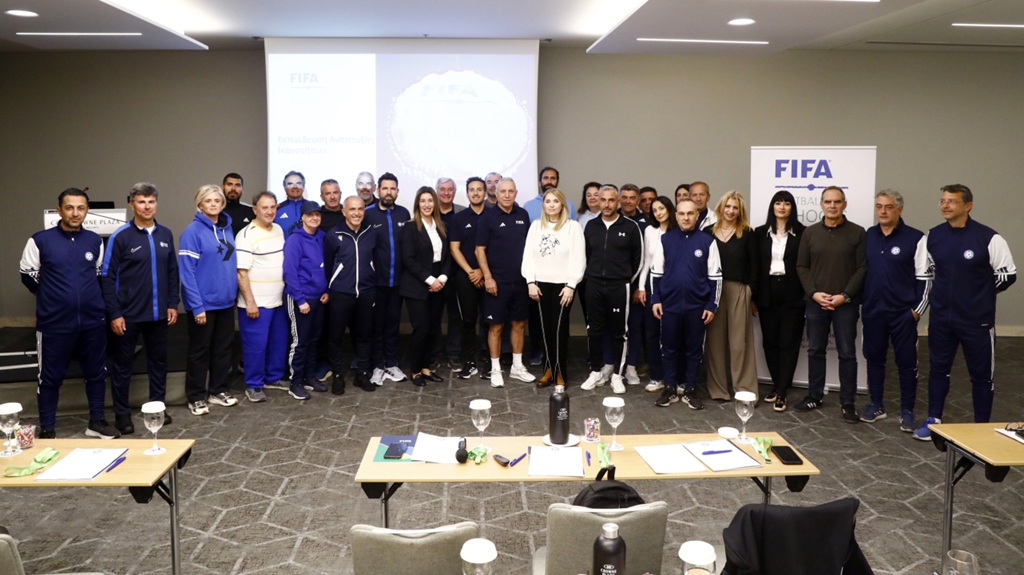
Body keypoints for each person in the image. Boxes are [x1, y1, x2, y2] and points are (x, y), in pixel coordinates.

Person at [914, 184, 1016, 440]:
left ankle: (981, 429)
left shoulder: (989, 238)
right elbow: (926, 275)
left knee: (981, 377)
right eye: (942, 201)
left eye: (952, 201)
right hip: (942, 320)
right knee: (938, 370)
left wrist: (977, 295)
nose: (945, 205)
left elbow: (1007, 275)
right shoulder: (932, 236)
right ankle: (933, 420)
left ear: (968, 205)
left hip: (976, 321)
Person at [20, 187, 119, 439]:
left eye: (81, 208)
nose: (75, 213)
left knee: (97, 373)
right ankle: (48, 429)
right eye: (70, 208)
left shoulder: (94, 241)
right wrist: (52, 297)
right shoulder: (40, 240)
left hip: (92, 322)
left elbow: (98, 276)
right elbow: (28, 276)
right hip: (54, 324)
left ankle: (96, 422)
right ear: (59, 210)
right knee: (50, 378)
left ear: (87, 211)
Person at [102, 183, 179, 434]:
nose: (147, 206)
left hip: (159, 314)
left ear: (156, 203)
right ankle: (122, 415)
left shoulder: (165, 234)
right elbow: (107, 277)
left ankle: (157, 408)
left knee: (158, 363)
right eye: (142, 201)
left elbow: (172, 271)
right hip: (128, 316)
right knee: (122, 366)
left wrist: (172, 303)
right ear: (132, 204)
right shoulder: (120, 237)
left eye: (151, 201)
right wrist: (114, 313)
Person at [856, 189, 930, 431]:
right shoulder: (869, 235)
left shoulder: (916, 238)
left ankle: (907, 410)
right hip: (873, 312)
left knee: (907, 363)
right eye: (879, 206)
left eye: (888, 207)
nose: (883, 211)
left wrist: (916, 311)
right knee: (874, 359)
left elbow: (926, 279)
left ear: (900, 209)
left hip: (903, 314)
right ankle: (876, 405)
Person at [794, 186, 867, 423]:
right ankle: (814, 395)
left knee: (847, 353)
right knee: (815, 349)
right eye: (828, 201)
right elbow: (801, 266)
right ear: (821, 204)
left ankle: (848, 402)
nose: (832, 206)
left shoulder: (857, 232)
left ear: (844, 204)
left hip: (846, 304)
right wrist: (814, 293)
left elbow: (862, 268)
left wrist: (844, 295)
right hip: (816, 302)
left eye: (837, 202)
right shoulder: (810, 233)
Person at [651, 199, 721, 410]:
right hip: (670, 306)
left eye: (690, 213)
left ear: (697, 216)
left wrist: (711, 305)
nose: (686, 217)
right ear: (676, 215)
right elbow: (656, 273)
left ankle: (690, 389)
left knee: (694, 350)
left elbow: (716, 277)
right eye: (681, 213)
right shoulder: (665, 240)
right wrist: (656, 299)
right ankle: (670, 388)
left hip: (697, 308)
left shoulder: (708, 241)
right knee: (669, 348)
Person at [178, 184, 240, 416]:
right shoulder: (192, 232)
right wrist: (197, 306)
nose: (213, 204)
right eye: (208, 201)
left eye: (217, 200)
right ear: (199, 204)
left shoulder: (226, 229)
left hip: (225, 303)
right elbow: (187, 272)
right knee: (199, 352)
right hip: (203, 305)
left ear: (222, 204)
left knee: (222, 350)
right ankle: (196, 396)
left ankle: (218, 390)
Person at [580, 184, 644, 395]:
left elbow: (638, 260)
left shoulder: (631, 227)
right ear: (598, 201)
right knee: (594, 330)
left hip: (619, 286)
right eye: (603, 200)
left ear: (618, 202)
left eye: (611, 200)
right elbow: (585, 255)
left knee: (619, 333)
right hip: (594, 285)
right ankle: (595, 371)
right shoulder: (591, 226)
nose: (607, 204)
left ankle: (617, 375)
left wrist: (624, 280)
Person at [521, 188, 586, 387]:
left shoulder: (573, 227)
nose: (551, 205)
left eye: (555, 201)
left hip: (563, 286)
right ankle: (548, 369)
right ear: (543, 205)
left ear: (562, 205)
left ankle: (560, 372)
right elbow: (528, 256)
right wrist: (530, 282)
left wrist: (571, 285)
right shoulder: (535, 226)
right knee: (544, 330)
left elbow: (579, 258)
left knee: (558, 331)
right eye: (548, 201)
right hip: (539, 285)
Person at [476, 177, 536, 387]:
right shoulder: (488, 217)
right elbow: (479, 250)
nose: (507, 195)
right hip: (497, 283)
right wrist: (488, 277)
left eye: (511, 191)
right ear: (496, 193)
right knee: (496, 326)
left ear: (516, 193)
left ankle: (517, 367)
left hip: (520, 282)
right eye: (503, 191)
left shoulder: (523, 215)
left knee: (519, 324)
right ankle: (495, 369)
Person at [752, 191, 807, 413]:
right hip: (767, 292)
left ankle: (782, 391)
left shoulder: (803, 233)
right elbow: (755, 267)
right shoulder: (759, 233)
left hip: (793, 293)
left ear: (792, 207)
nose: (782, 207)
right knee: (770, 342)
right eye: (777, 203)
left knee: (789, 343)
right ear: (772, 207)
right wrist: (753, 297)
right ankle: (777, 384)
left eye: (786, 203)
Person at [703, 191, 758, 402]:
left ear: (740, 211)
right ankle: (718, 390)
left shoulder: (747, 233)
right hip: (713, 291)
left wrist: (750, 293)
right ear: (721, 207)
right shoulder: (708, 233)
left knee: (739, 343)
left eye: (735, 208)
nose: (731, 211)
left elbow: (755, 266)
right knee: (715, 342)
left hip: (738, 290)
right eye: (728, 206)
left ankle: (744, 389)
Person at [234, 191, 288, 403]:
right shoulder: (246, 235)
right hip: (256, 303)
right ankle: (254, 385)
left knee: (278, 343)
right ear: (255, 210)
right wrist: (250, 302)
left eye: (273, 207)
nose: (269, 211)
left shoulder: (279, 229)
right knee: (255, 347)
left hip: (278, 301)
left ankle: (273, 378)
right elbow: (241, 273)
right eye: (264, 207)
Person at [324, 196, 378, 394]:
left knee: (364, 335)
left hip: (365, 292)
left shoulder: (371, 232)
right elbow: (328, 264)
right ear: (344, 212)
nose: (356, 213)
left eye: (360, 209)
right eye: (352, 209)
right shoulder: (333, 234)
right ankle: (338, 375)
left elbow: (376, 260)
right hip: (341, 293)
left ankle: (362, 374)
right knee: (336, 337)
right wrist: (330, 288)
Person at [401, 187, 451, 387]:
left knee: (432, 329)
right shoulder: (410, 228)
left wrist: (442, 278)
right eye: (423, 201)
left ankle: (426, 368)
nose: (427, 204)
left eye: (430, 200)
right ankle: (415, 370)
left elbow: (446, 256)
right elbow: (409, 259)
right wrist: (431, 280)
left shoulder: (442, 226)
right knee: (421, 329)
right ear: (417, 204)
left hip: (439, 283)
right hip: (417, 285)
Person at [364, 172, 411, 385]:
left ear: (397, 191)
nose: (389, 192)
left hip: (398, 282)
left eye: (392, 188)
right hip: (376, 283)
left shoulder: (403, 213)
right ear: (378, 190)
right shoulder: (368, 214)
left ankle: (391, 363)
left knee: (392, 324)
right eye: (385, 188)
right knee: (376, 326)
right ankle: (377, 366)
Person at [283, 201, 329, 400]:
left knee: (314, 340)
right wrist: (300, 300)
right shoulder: (295, 240)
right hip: (300, 299)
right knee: (300, 342)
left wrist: (326, 290)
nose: (314, 218)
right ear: (302, 217)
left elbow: (327, 266)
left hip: (319, 298)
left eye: (317, 214)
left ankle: (309, 377)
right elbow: (289, 272)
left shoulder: (322, 237)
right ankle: (295, 383)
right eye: (310, 215)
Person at [449, 177, 488, 379]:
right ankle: (470, 362)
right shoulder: (459, 218)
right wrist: (472, 272)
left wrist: (482, 271)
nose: (475, 193)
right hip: (465, 277)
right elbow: (454, 248)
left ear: (485, 193)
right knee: (468, 321)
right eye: (472, 190)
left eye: (479, 189)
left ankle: (489, 362)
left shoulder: (492, 215)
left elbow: (496, 248)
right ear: (467, 194)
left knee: (489, 320)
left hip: (488, 276)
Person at [637, 196, 676, 393]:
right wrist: (641, 287)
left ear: (669, 208)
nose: (658, 213)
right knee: (651, 333)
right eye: (654, 210)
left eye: (661, 208)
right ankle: (656, 376)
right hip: (652, 285)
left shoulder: (679, 231)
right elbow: (646, 261)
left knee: (673, 333)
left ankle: (675, 377)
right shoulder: (650, 231)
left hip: (674, 287)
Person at [620, 183, 649, 387]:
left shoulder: (646, 223)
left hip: (637, 286)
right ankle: (612, 365)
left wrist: (640, 286)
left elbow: (646, 258)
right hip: (616, 285)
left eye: (632, 197)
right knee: (614, 327)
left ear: (638, 200)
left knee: (635, 326)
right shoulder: (613, 219)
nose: (628, 201)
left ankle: (631, 367)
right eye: (625, 197)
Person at [436, 177, 465, 368]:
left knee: (456, 316)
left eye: (450, 189)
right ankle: (436, 353)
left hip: (456, 274)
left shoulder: (462, 213)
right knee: (434, 316)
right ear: (437, 191)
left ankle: (454, 353)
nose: (446, 193)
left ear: (454, 192)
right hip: (434, 276)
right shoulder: (429, 212)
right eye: (442, 189)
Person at [275, 170, 306, 237]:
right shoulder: (276, 209)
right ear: (285, 188)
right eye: (290, 184)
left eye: (299, 183)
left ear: (303, 187)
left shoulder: (312, 208)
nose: (295, 186)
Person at [222, 172, 252, 237]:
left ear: (242, 189)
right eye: (229, 184)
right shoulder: (215, 211)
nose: (233, 188)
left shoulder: (251, 211)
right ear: (222, 187)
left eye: (238, 185)